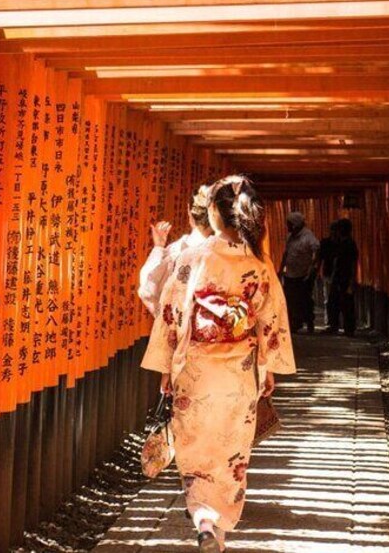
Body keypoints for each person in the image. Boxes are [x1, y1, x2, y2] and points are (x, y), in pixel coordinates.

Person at [141, 175, 296, 553]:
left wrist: (165, 369)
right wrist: (268, 366)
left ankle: (203, 520)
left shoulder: (194, 257)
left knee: (196, 457)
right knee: (230, 458)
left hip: (195, 371)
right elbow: (270, 320)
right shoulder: (258, 263)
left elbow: (172, 314)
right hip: (239, 374)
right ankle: (217, 531)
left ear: (213, 213)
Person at [138, 184, 213, 317]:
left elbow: (148, 290)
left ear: (189, 209)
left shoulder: (176, 253)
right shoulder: (232, 254)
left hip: (173, 333)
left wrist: (158, 248)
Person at [278, 211, 319, 333]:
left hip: (303, 274)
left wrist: (312, 268)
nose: (287, 227)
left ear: (295, 224)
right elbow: (286, 253)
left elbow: (316, 250)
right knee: (290, 299)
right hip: (290, 273)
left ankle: (309, 322)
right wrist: (281, 269)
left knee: (304, 299)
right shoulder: (290, 237)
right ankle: (294, 323)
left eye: (289, 224)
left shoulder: (308, 236)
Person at [329, 218, 359, 336]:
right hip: (339, 277)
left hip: (345, 278)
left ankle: (349, 329)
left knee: (347, 303)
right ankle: (337, 326)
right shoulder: (340, 243)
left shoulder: (350, 244)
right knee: (336, 302)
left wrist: (352, 281)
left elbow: (352, 263)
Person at [316, 221, 340, 331]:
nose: (335, 233)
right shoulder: (325, 243)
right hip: (328, 273)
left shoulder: (341, 243)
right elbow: (320, 258)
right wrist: (317, 270)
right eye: (333, 230)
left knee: (337, 299)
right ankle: (329, 322)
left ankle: (337, 322)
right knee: (328, 299)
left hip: (340, 275)